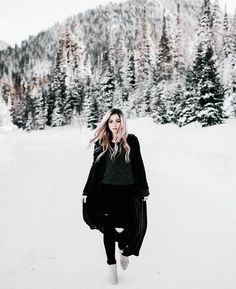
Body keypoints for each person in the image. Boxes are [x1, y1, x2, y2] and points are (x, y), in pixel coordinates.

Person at [82, 108, 150, 285]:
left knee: (126, 228)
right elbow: (95, 170)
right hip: (106, 192)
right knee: (110, 228)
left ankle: (123, 250)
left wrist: (143, 190)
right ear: (107, 123)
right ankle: (112, 267)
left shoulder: (131, 140)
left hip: (128, 191)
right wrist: (86, 191)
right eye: (111, 121)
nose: (114, 124)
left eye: (117, 121)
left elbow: (138, 166)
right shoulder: (102, 142)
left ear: (122, 122)